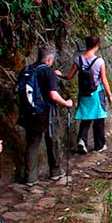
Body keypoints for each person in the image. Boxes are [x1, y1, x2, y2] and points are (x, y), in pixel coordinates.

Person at [18, 46, 73, 185]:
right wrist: (66, 103)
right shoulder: (48, 72)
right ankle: (55, 172)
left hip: (28, 112)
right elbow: (53, 95)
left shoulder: (26, 70)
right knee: (52, 140)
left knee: (32, 143)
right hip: (45, 113)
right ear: (49, 59)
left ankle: (30, 178)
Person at [58, 35, 112, 154]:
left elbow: (69, 76)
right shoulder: (99, 62)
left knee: (85, 117)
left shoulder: (78, 60)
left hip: (83, 94)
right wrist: (109, 95)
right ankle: (99, 145)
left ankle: (82, 140)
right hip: (96, 94)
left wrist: (59, 74)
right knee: (99, 118)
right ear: (97, 45)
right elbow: (104, 80)